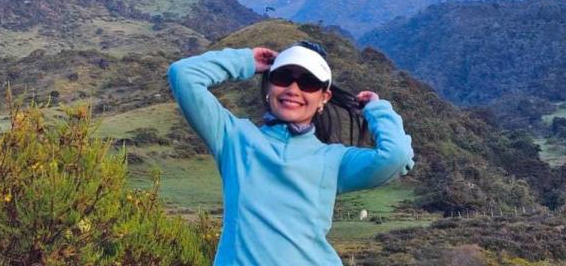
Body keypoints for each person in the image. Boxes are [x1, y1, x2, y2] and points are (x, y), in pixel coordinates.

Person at [168, 41, 414, 265]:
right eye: (283, 77)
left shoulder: (333, 160)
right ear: (269, 85)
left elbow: (396, 155)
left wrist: (376, 110)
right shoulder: (235, 139)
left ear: (324, 98)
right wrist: (247, 61)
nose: (293, 89)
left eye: (308, 82)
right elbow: (184, 75)